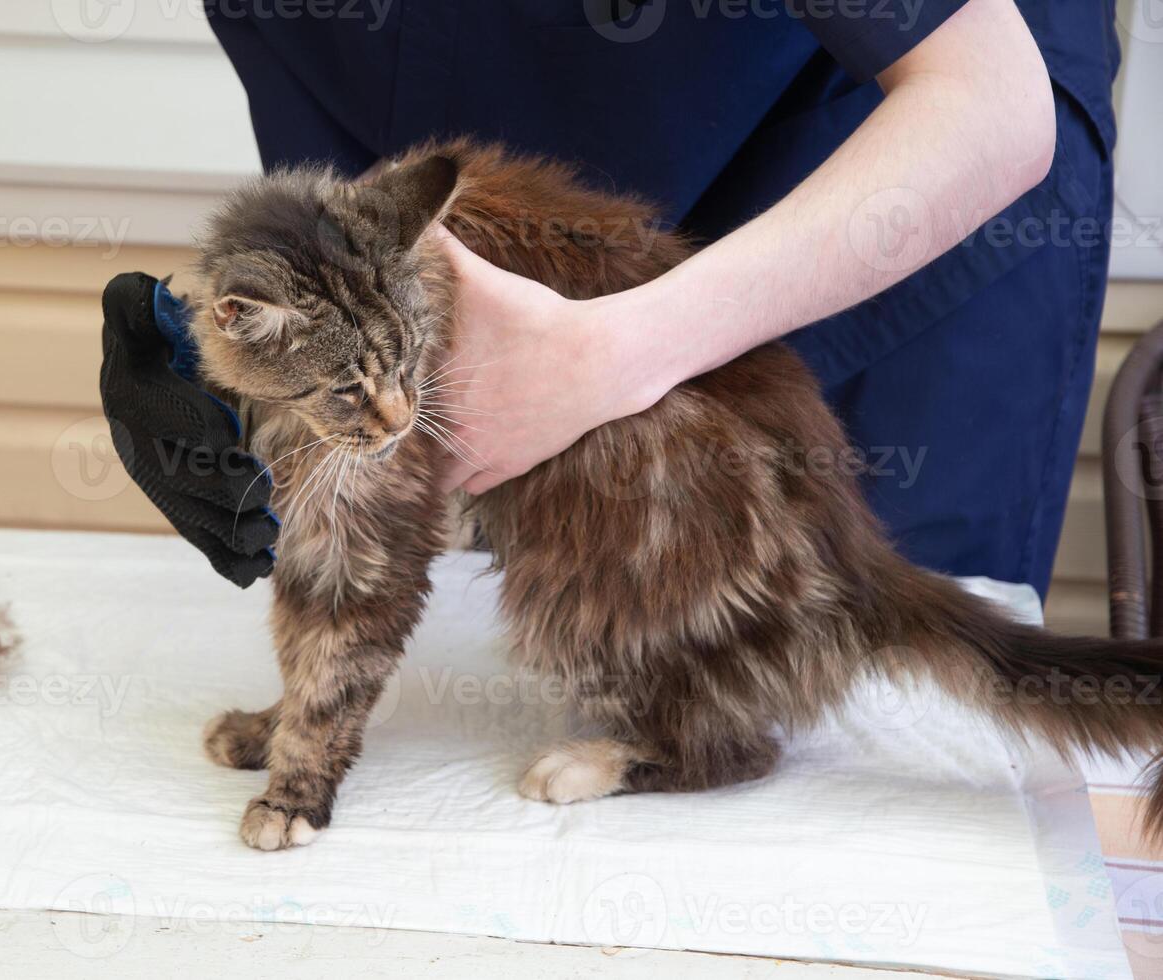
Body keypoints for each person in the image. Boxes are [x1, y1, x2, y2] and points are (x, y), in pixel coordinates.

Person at [104, 0, 1119, 597]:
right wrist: (230, 362)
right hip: (578, 174)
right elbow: (364, 184)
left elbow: (986, 100)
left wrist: (608, 354)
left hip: (904, 150)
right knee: (609, 639)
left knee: (865, 677)